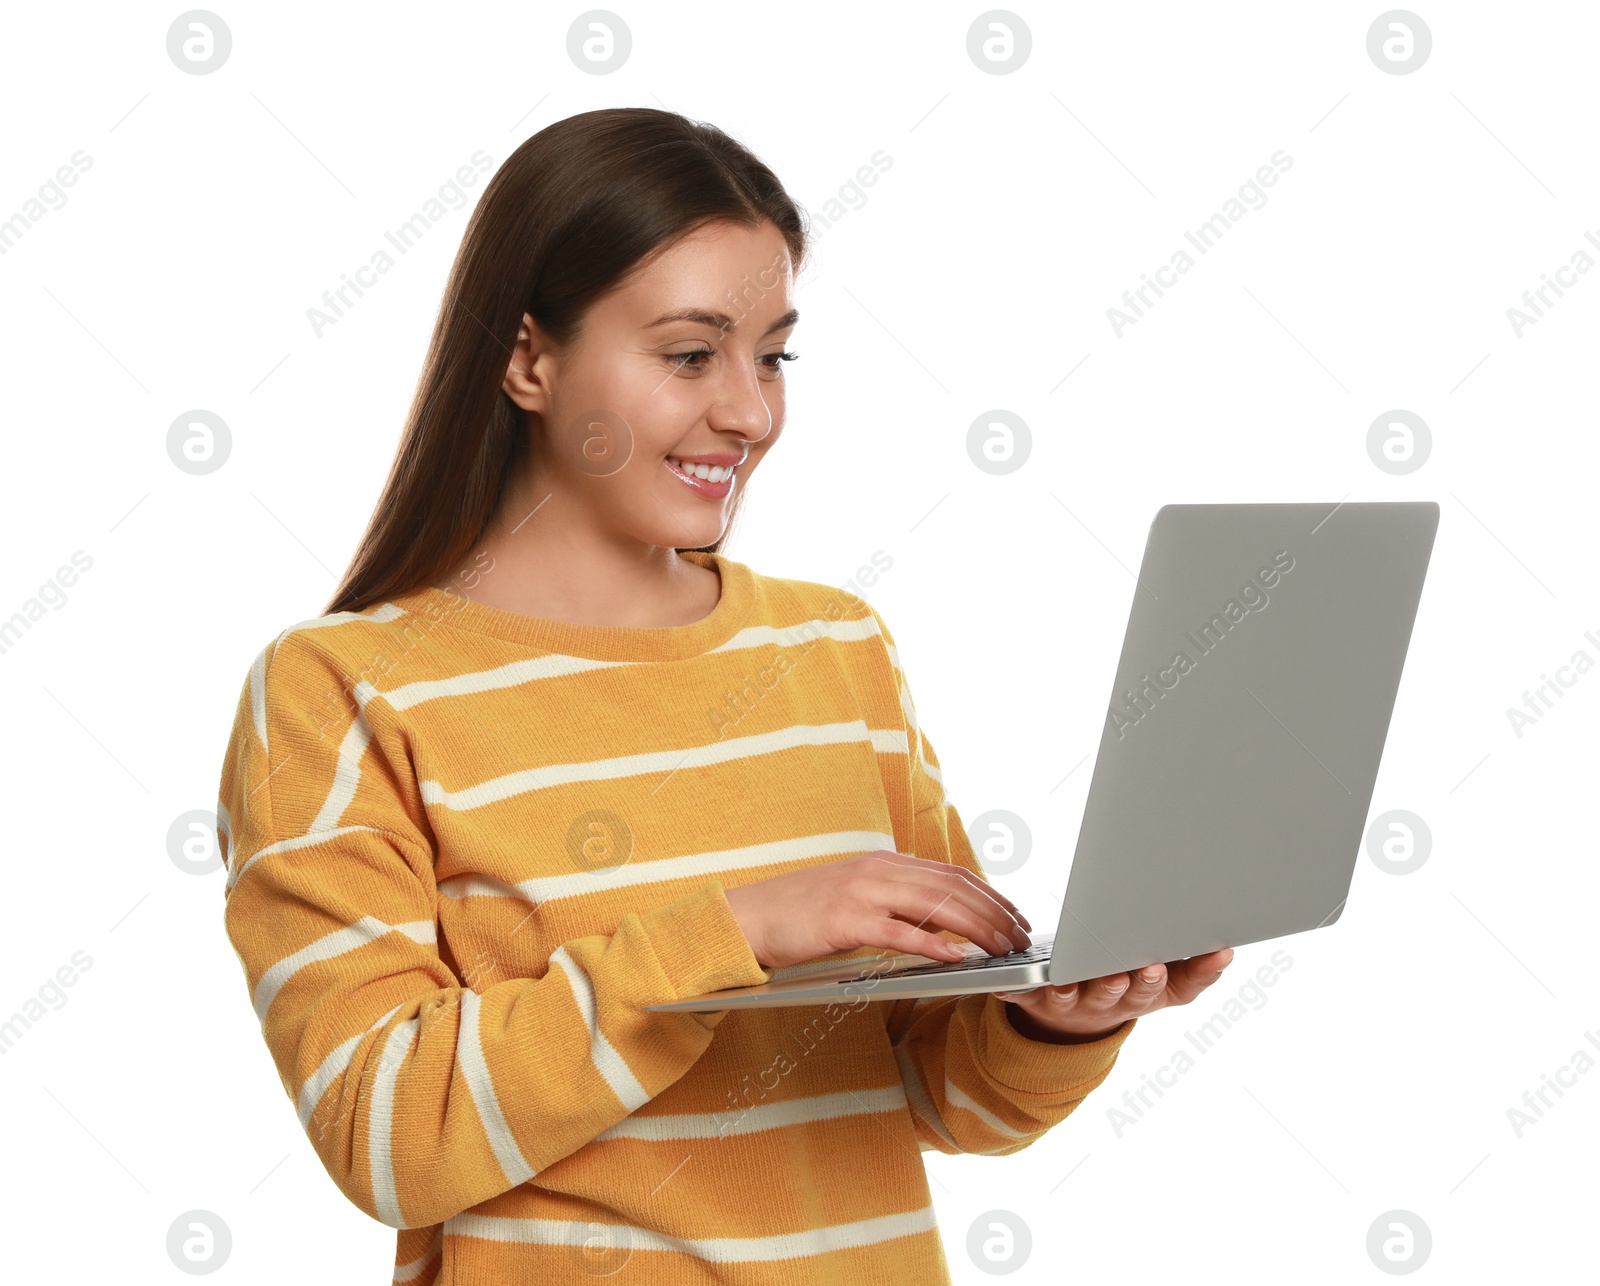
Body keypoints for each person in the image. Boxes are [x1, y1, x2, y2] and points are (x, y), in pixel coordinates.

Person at [215, 106, 1235, 1285]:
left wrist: (1059, 1016)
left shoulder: (832, 647)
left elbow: (931, 1090)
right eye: (690, 354)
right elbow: (383, 1133)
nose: (749, 411)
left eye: (773, 354)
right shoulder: (342, 689)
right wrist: (735, 930)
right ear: (529, 359)